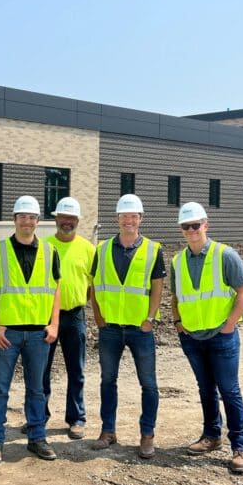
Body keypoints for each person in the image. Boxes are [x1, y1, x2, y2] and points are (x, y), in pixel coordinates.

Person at [171, 202, 243, 473]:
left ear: (206, 225)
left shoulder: (224, 255)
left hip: (221, 336)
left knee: (229, 390)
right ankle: (211, 436)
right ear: (181, 230)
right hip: (193, 337)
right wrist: (178, 323)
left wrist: (229, 325)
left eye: (196, 225)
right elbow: (176, 296)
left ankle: (240, 447)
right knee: (205, 389)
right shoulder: (177, 260)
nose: (191, 230)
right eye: (186, 226)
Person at [0, 195, 61, 464]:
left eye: (32, 217)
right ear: (14, 219)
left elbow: (55, 289)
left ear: (38, 221)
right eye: (22, 217)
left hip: (39, 333)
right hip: (8, 333)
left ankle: (37, 438)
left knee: (36, 389)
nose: (27, 222)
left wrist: (54, 324)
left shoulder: (50, 252)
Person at [91, 194, 165, 459]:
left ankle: (147, 435)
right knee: (107, 381)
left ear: (141, 219)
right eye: (124, 216)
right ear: (117, 219)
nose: (129, 221)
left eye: (134, 216)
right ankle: (108, 431)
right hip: (110, 327)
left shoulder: (153, 250)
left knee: (149, 384)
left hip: (139, 328)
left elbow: (157, 287)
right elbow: (95, 285)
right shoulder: (101, 249)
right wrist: (97, 315)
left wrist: (151, 318)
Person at [39, 197, 95, 440]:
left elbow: (93, 287)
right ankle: (39, 417)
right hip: (47, 316)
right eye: (63, 218)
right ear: (56, 219)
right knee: (41, 369)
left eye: (71, 219)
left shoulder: (88, 249)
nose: (67, 222)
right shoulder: (43, 246)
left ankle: (76, 418)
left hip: (74, 316)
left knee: (76, 369)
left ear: (78, 221)